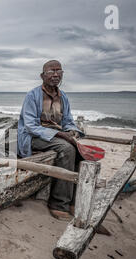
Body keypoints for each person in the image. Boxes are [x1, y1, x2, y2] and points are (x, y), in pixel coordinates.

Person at [17, 60, 84, 221]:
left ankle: (73, 200)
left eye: (59, 71)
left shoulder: (63, 97)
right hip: (33, 137)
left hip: (54, 136)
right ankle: (58, 204)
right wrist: (60, 135)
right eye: (51, 71)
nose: (55, 74)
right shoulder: (32, 95)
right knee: (67, 149)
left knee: (79, 151)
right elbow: (31, 126)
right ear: (42, 76)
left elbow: (67, 121)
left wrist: (72, 131)